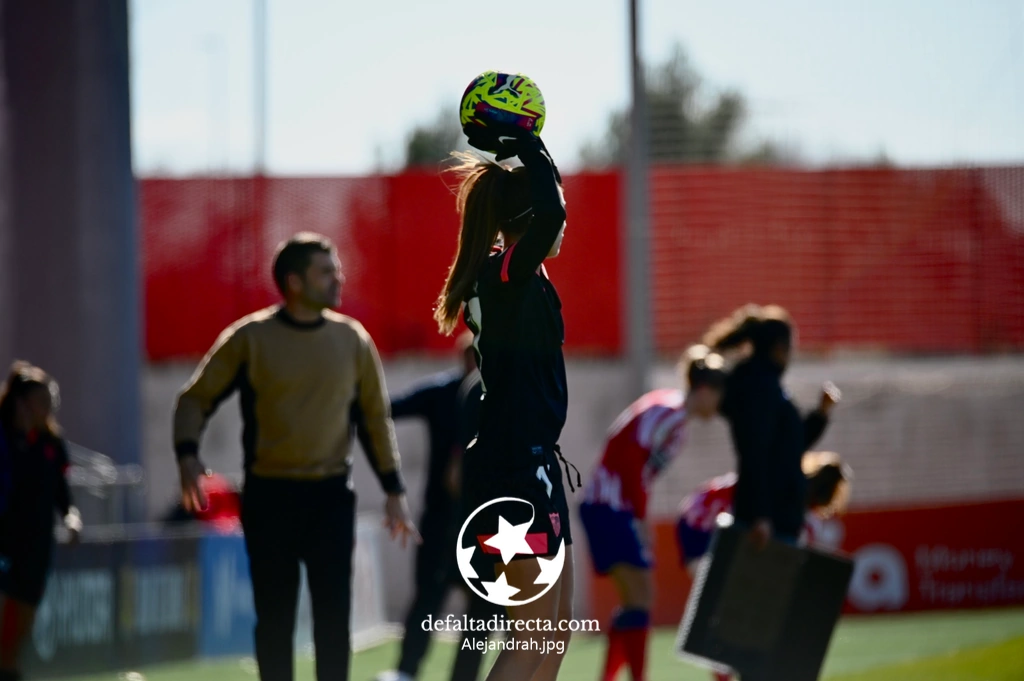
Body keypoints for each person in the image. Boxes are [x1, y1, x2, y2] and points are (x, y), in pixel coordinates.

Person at [173, 232, 418, 681]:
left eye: (336, 269)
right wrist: (187, 455)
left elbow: (375, 420)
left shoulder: (353, 340)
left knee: (332, 621)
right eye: (326, 271)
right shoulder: (251, 338)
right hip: (269, 499)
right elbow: (194, 399)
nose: (338, 278)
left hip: (330, 500)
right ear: (295, 282)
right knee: (275, 622)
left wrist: (393, 490)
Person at [433, 122, 573, 681]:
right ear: (529, 220)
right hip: (513, 470)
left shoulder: (519, 275)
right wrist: (531, 148)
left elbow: (552, 209)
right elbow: (555, 213)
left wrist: (534, 156)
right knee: (528, 637)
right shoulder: (504, 275)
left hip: (532, 464)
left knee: (553, 635)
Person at [579, 345, 728, 681]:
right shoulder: (670, 411)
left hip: (612, 507)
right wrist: (640, 515)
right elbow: (630, 459)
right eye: (719, 394)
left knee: (637, 598)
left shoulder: (674, 416)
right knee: (642, 595)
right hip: (610, 506)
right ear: (704, 390)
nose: (720, 404)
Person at [376, 333, 501, 681]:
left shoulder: (503, 400)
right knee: (429, 596)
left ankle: (464, 676)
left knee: (485, 608)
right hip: (443, 518)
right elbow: (388, 409)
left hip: (486, 524)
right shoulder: (443, 393)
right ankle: (406, 670)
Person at [675, 451, 853, 681]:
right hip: (702, 524)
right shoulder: (791, 506)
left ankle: (731, 669)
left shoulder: (791, 495)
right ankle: (727, 671)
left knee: (734, 605)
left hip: (701, 515)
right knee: (724, 603)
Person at [702, 304, 840, 549]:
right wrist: (760, 515)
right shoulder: (759, 389)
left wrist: (820, 414)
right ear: (779, 348)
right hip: (768, 525)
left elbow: (788, 447)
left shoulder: (767, 387)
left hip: (776, 519)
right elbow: (755, 454)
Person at [0, 361, 81, 681]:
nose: (49, 409)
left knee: (18, 634)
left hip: (37, 548)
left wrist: (72, 519)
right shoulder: (4, 441)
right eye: (42, 401)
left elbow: (63, 495)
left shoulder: (51, 445)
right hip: (5, 545)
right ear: (23, 403)